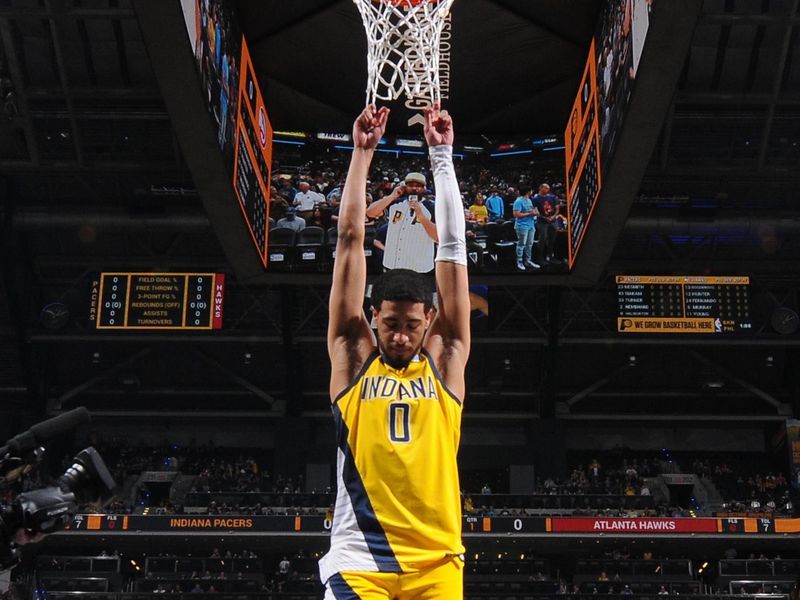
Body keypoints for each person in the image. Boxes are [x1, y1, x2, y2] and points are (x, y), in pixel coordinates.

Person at [319, 103, 470, 598]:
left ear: (429, 320)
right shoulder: (354, 354)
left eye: (410, 326)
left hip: (436, 559)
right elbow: (348, 240)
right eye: (389, 325)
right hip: (360, 558)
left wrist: (442, 157)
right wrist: (362, 155)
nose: (401, 336)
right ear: (372, 318)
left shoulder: (445, 357)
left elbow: (451, 247)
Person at [366, 172, 438, 273]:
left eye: (418, 186)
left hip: (419, 268)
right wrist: (392, 196)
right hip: (392, 265)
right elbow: (370, 213)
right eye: (411, 185)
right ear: (405, 187)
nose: (414, 188)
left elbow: (437, 237)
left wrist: (420, 215)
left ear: (424, 188)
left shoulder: (431, 207)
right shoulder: (395, 203)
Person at [531, 183, 562, 265]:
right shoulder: (535, 199)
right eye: (546, 188)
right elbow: (536, 211)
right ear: (541, 188)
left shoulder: (552, 197)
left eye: (548, 188)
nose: (548, 189)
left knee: (552, 239)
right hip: (542, 222)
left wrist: (553, 216)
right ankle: (540, 258)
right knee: (542, 239)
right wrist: (545, 218)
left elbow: (557, 208)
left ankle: (550, 257)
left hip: (553, 221)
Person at [512, 185, 539, 271]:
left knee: (529, 244)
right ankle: (519, 261)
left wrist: (535, 213)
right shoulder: (518, 201)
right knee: (521, 244)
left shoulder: (529, 200)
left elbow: (532, 211)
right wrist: (529, 213)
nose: (532, 192)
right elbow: (516, 214)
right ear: (528, 191)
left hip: (531, 225)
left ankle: (528, 260)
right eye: (531, 191)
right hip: (522, 226)